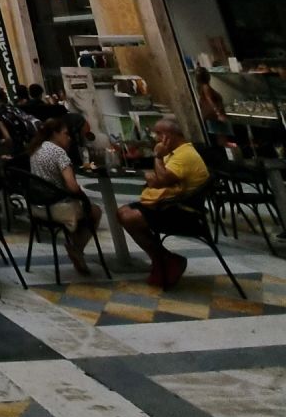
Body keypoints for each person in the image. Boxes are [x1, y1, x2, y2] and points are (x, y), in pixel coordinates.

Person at [117, 116, 210, 289]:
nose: (156, 138)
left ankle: (164, 259)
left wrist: (157, 157)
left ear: (170, 135)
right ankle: (162, 259)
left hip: (183, 212)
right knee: (123, 213)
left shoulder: (185, 154)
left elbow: (163, 179)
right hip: (168, 205)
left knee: (129, 217)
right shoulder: (175, 153)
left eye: (159, 134)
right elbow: (159, 179)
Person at [28, 118, 102, 276]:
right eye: (66, 134)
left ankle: (75, 248)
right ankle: (77, 249)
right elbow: (72, 186)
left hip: (38, 207)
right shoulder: (58, 152)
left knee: (80, 208)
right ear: (55, 133)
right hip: (57, 208)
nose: (69, 138)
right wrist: (84, 198)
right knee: (94, 211)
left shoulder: (36, 150)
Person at [195, 68, 229, 138]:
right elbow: (210, 100)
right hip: (215, 118)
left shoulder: (200, 87)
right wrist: (218, 114)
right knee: (222, 138)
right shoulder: (206, 87)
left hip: (210, 117)